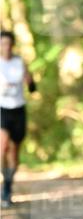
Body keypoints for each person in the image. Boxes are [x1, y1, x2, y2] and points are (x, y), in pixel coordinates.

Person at [0, 30, 36, 208]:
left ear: (12, 45)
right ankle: (4, 189)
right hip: (2, 110)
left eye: (8, 44)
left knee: (14, 153)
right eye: (2, 44)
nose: (6, 47)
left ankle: (8, 184)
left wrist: (30, 81)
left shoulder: (19, 62)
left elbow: (32, 87)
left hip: (19, 110)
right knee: (3, 147)